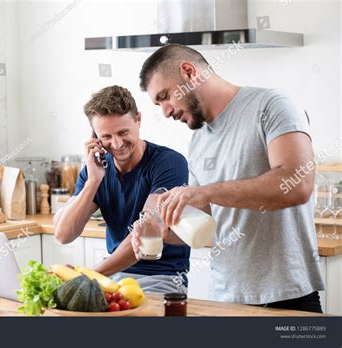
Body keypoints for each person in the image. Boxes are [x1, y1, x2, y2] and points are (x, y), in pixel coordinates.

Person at [131, 44, 325, 312]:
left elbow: (297, 184)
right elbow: (206, 221)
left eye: (164, 97)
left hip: (287, 295)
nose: (165, 112)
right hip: (225, 299)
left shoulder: (271, 105)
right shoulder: (198, 142)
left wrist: (206, 192)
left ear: (188, 72)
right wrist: (160, 228)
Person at [53, 85, 190, 294]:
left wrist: (88, 276)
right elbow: (63, 235)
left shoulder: (169, 162)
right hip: (112, 276)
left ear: (138, 120)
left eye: (123, 132)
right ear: (95, 137)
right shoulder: (95, 170)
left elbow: (146, 232)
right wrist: (93, 182)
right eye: (106, 136)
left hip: (160, 278)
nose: (116, 144)